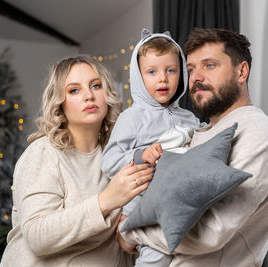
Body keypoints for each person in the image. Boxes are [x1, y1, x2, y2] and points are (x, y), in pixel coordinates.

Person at [118, 28, 268, 267]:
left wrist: (131, 233)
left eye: (209, 66)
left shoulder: (259, 133)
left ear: (242, 71)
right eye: (190, 69)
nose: (196, 77)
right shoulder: (197, 132)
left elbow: (210, 230)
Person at [0, 55, 154, 267]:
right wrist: (107, 200)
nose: (89, 96)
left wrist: (131, 238)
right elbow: (37, 236)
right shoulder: (43, 153)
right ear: (59, 102)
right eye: (74, 90)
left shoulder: (120, 157)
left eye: (96, 86)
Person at [101, 29, 201, 267]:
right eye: (152, 72)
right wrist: (140, 155)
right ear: (139, 76)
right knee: (156, 256)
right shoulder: (132, 118)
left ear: (181, 74)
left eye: (171, 70)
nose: (163, 79)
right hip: (144, 207)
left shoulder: (189, 117)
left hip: (181, 201)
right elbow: (108, 161)